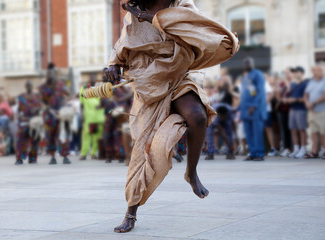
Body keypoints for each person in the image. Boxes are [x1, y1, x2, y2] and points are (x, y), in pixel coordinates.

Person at [102, 0, 239, 233]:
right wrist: (113, 66)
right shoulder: (134, 13)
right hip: (149, 83)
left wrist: (154, 19)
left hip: (176, 75)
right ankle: (131, 212)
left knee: (196, 115)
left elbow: (198, 31)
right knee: (144, 150)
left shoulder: (181, 5)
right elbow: (123, 46)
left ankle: (191, 172)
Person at [39, 63, 71, 164]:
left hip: (60, 113)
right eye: (48, 74)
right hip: (49, 114)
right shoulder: (43, 87)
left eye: (51, 74)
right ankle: (52, 157)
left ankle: (65, 156)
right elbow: (41, 100)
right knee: (50, 136)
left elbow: (69, 95)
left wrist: (65, 103)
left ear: (54, 74)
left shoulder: (61, 85)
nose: (49, 75)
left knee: (62, 135)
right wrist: (45, 106)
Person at [240, 57, 267, 161]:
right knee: (249, 133)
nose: (246, 65)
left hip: (255, 110)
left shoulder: (258, 74)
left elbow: (260, 92)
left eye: (248, 63)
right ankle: (252, 152)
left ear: (252, 63)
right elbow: (244, 93)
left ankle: (259, 154)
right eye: (245, 63)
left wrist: (254, 105)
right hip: (245, 110)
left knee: (257, 133)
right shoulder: (246, 77)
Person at [283, 66, 309, 158]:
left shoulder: (305, 84)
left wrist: (295, 100)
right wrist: (287, 100)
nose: (295, 73)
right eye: (294, 72)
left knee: (302, 129)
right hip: (293, 109)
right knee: (293, 129)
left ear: (302, 73)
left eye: (297, 72)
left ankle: (303, 148)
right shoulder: (293, 85)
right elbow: (288, 94)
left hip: (301, 109)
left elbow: (306, 98)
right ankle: (296, 148)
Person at [15, 81, 42, 165]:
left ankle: (33, 158)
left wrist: (37, 110)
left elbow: (41, 107)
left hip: (34, 122)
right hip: (24, 121)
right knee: (21, 140)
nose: (29, 87)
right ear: (25, 86)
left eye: (30, 85)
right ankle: (20, 158)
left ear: (32, 86)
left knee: (35, 140)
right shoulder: (21, 97)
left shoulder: (37, 96)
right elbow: (19, 109)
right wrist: (19, 116)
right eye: (27, 85)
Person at [79, 76, 106, 160]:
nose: (92, 81)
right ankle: (84, 154)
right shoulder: (84, 88)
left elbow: (104, 101)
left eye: (94, 79)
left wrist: (101, 105)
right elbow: (81, 103)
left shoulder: (99, 88)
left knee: (97, 136)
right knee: (86, 136)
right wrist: (82, 114)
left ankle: (94, 153)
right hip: (88, 116)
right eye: (91, 79)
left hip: (98, 116)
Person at [304, 64, 325, 159]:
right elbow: (306, 94)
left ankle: (324, 151)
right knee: (313, 132)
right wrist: (307, 103)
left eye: (321, 70)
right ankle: (314, 152)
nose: (319, 71)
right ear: (314, 72)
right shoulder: (311, 82)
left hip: (322, 111)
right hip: (312, 112)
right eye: (317, 70)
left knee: (323, 132)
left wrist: (314, 103)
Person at [276, 68, 293, 157]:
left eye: (288, 73)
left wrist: (287, 84)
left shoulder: (293, 82)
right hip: (282, 109)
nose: (286, 75)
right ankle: (286, 148)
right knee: (284, 129)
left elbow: (291, 91)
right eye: (285, 73)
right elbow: (278, 96)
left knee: (292, 130)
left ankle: (292, 148)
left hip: (291, 109)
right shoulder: (281, 84)